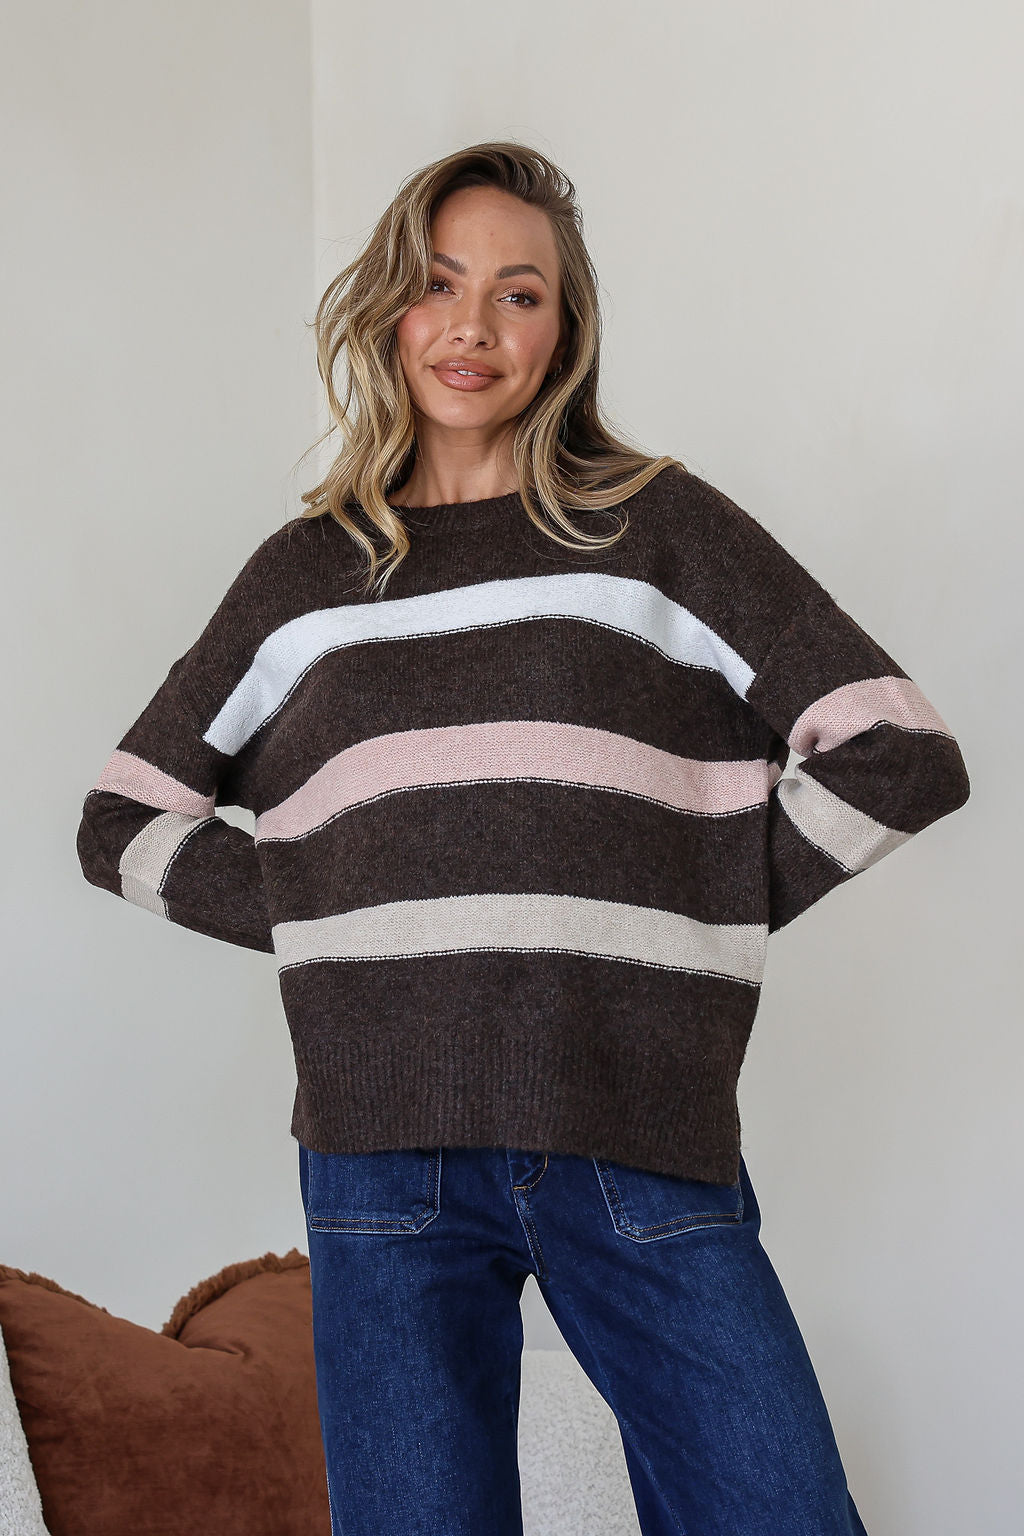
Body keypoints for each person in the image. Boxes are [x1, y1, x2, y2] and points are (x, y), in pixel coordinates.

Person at [77, 142, 970, 1535]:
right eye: (438, 285)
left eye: (519, 293)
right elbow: (125, 817)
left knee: (778, 1510)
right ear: (389, 311)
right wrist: (333, 906)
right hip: (382, 1147)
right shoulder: (305, 578)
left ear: (566, 330)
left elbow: (898, 752)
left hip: (629, 1116)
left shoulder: (655, 527)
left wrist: (695, 895)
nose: (473, 328)